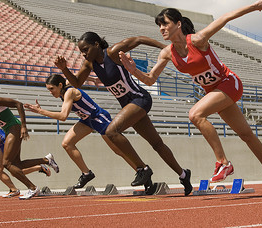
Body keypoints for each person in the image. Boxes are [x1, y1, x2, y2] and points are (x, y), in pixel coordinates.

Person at [119, 0, 262, 195]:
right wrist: (132, 69)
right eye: (159, 25)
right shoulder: (166, 53)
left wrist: (254, 7)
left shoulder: (197, 40)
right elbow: (150, 80)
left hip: (228, 83)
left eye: (165, 24)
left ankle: (223, 162)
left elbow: (225, 17)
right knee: (246, 134)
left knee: (195, 114)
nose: (161, 28)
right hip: (213, 92)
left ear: (178, 24)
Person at [55, 33, 193, 196]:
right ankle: (183, 174)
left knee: (111, 131)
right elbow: (77, 83)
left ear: (97, 44)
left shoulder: (113, 53)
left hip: (139, 99)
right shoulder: (90, 64)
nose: (84, 53)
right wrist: (64, 69)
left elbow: (139, 39)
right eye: (81, 51)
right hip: (129, 105)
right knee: (156, 144)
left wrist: (167, 49)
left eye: (86, 49)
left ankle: (143, 169)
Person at [24, 74, 137, 189]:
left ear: (60, 85)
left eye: (52, 89)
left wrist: (40, 111)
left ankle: (141, 170)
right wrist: (93, 79)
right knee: (67, 143)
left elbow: (63, 116)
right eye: (48, 90)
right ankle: (86, 174)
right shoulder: (65, 83)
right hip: (87, 120)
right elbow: (77, 75)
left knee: (119, 150)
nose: (50, 93)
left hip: (98, 118)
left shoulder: (69, 92)